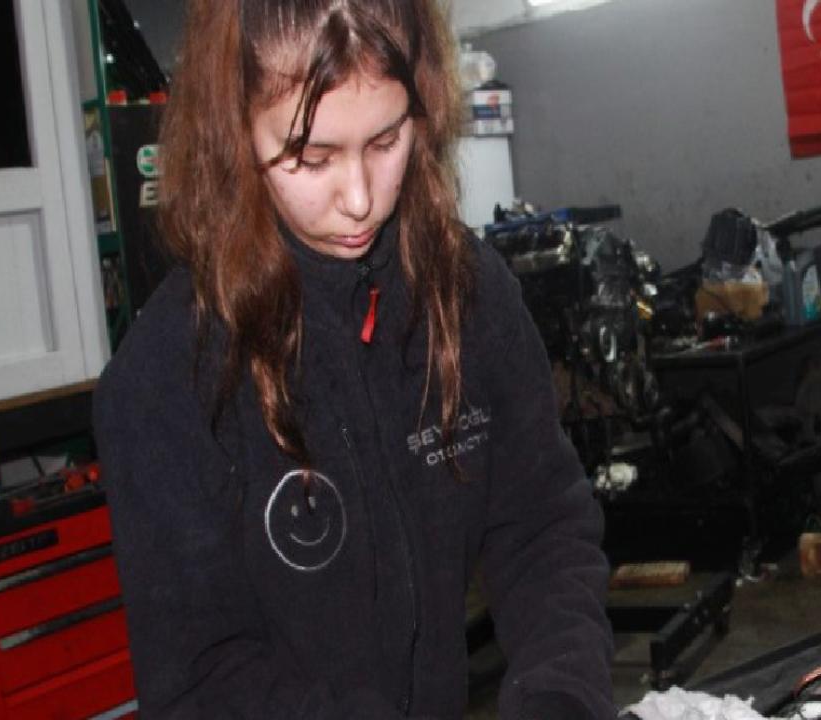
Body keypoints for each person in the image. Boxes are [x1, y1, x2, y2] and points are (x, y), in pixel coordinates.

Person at [92, 1, 615, 717]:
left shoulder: (469, 294)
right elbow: (203, 677)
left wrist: (559, 696)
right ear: (234, 131)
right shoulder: (166, 378)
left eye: (386, 139)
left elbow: (542, 528)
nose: (361, 199)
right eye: (311, 158)